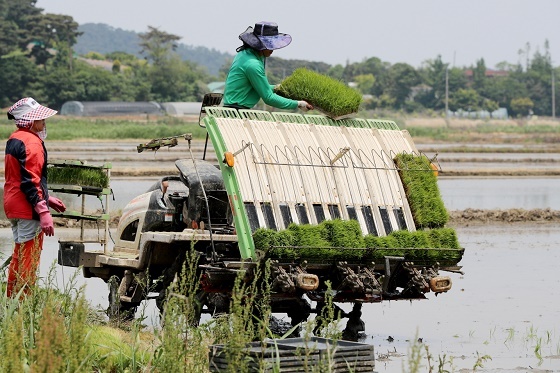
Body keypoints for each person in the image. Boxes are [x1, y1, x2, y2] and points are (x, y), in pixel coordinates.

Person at [4, 97, 66, 297]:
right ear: (30, 121)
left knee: (19, 256)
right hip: (27, 208)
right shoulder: (32, 142)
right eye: (40, 119)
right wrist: (43, 209)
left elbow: (20, 177)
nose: (44, 123)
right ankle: (23, 307)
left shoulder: (15, 138)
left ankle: (11, 300)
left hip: (14, 206)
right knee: (28, 259)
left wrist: (47, 198)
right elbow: (30, 181)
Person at [222, 21, 313, 111]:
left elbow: (258, 87)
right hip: (236, 111)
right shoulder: (253, 65)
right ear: (258, 44)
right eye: (269, 44)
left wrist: (277, 88)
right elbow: (268, 98)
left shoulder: (244, 54)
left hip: (233, 108)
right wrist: (298, 104)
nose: (272, 49)